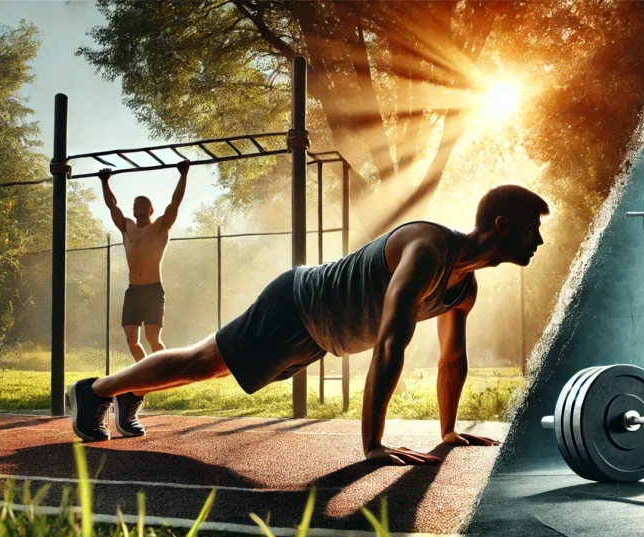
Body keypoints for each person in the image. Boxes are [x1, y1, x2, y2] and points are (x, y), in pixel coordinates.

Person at [69, 184, 549, 466]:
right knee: (202, 363)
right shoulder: (428, 248)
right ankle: (97, 390)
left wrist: (447, 432)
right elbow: (390, 343)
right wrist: (373, 444)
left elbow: (451, 359)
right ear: (503, 225)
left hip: (321, 337)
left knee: (211, 367)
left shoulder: (463, 289)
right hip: (298, 303)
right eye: (534, 227)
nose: (540, 239)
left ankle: (125, 391)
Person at [97, 159, 190, 437]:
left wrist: (182, 175)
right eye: (134, 202)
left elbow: (176, 202)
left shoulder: (161, 225)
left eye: (141, 203)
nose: (136, 205)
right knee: (132, 341)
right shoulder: (126, 227)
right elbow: (112, 206)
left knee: (153, 341)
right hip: (133, 290)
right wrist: (105, 181)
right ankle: (149, 375)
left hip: (152, 289)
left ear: (150, 209)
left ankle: (166, 372)